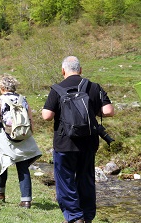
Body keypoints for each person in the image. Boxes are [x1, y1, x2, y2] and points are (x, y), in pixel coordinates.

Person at [42, 56, 115, 223]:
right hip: (89, 142)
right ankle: (87, 216)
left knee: (65, 181)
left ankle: (75, 217)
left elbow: (47, 116)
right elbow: (109, 111)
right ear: (80, 70)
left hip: (64, 143)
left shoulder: (57, 89)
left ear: (63, 71)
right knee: (86, 178)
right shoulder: (94, 87)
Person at [0, 73, 42, 208]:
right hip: (23, 135)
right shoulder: (23, 99)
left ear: (2, 87)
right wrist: (27, 135)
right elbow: (30, 120)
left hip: (5, 136)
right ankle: (26, 201)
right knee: (23, 167)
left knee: (0, 162)